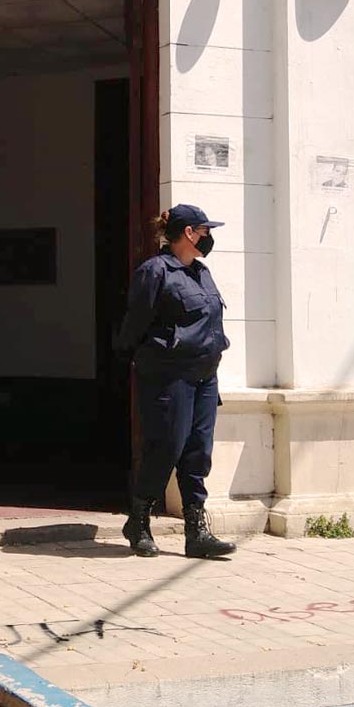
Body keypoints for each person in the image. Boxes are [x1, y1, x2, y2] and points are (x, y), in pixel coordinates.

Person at [116, 203, 236, 560]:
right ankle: (138, 521)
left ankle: (196, 532)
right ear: (188, 233)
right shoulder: (155, 271)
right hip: (169, 376)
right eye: (204, 231)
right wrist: (142, 364)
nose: (208, 237)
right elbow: (134, 324)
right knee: (166, 446)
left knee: (198, 451)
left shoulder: (202, 272)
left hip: (204, 376)